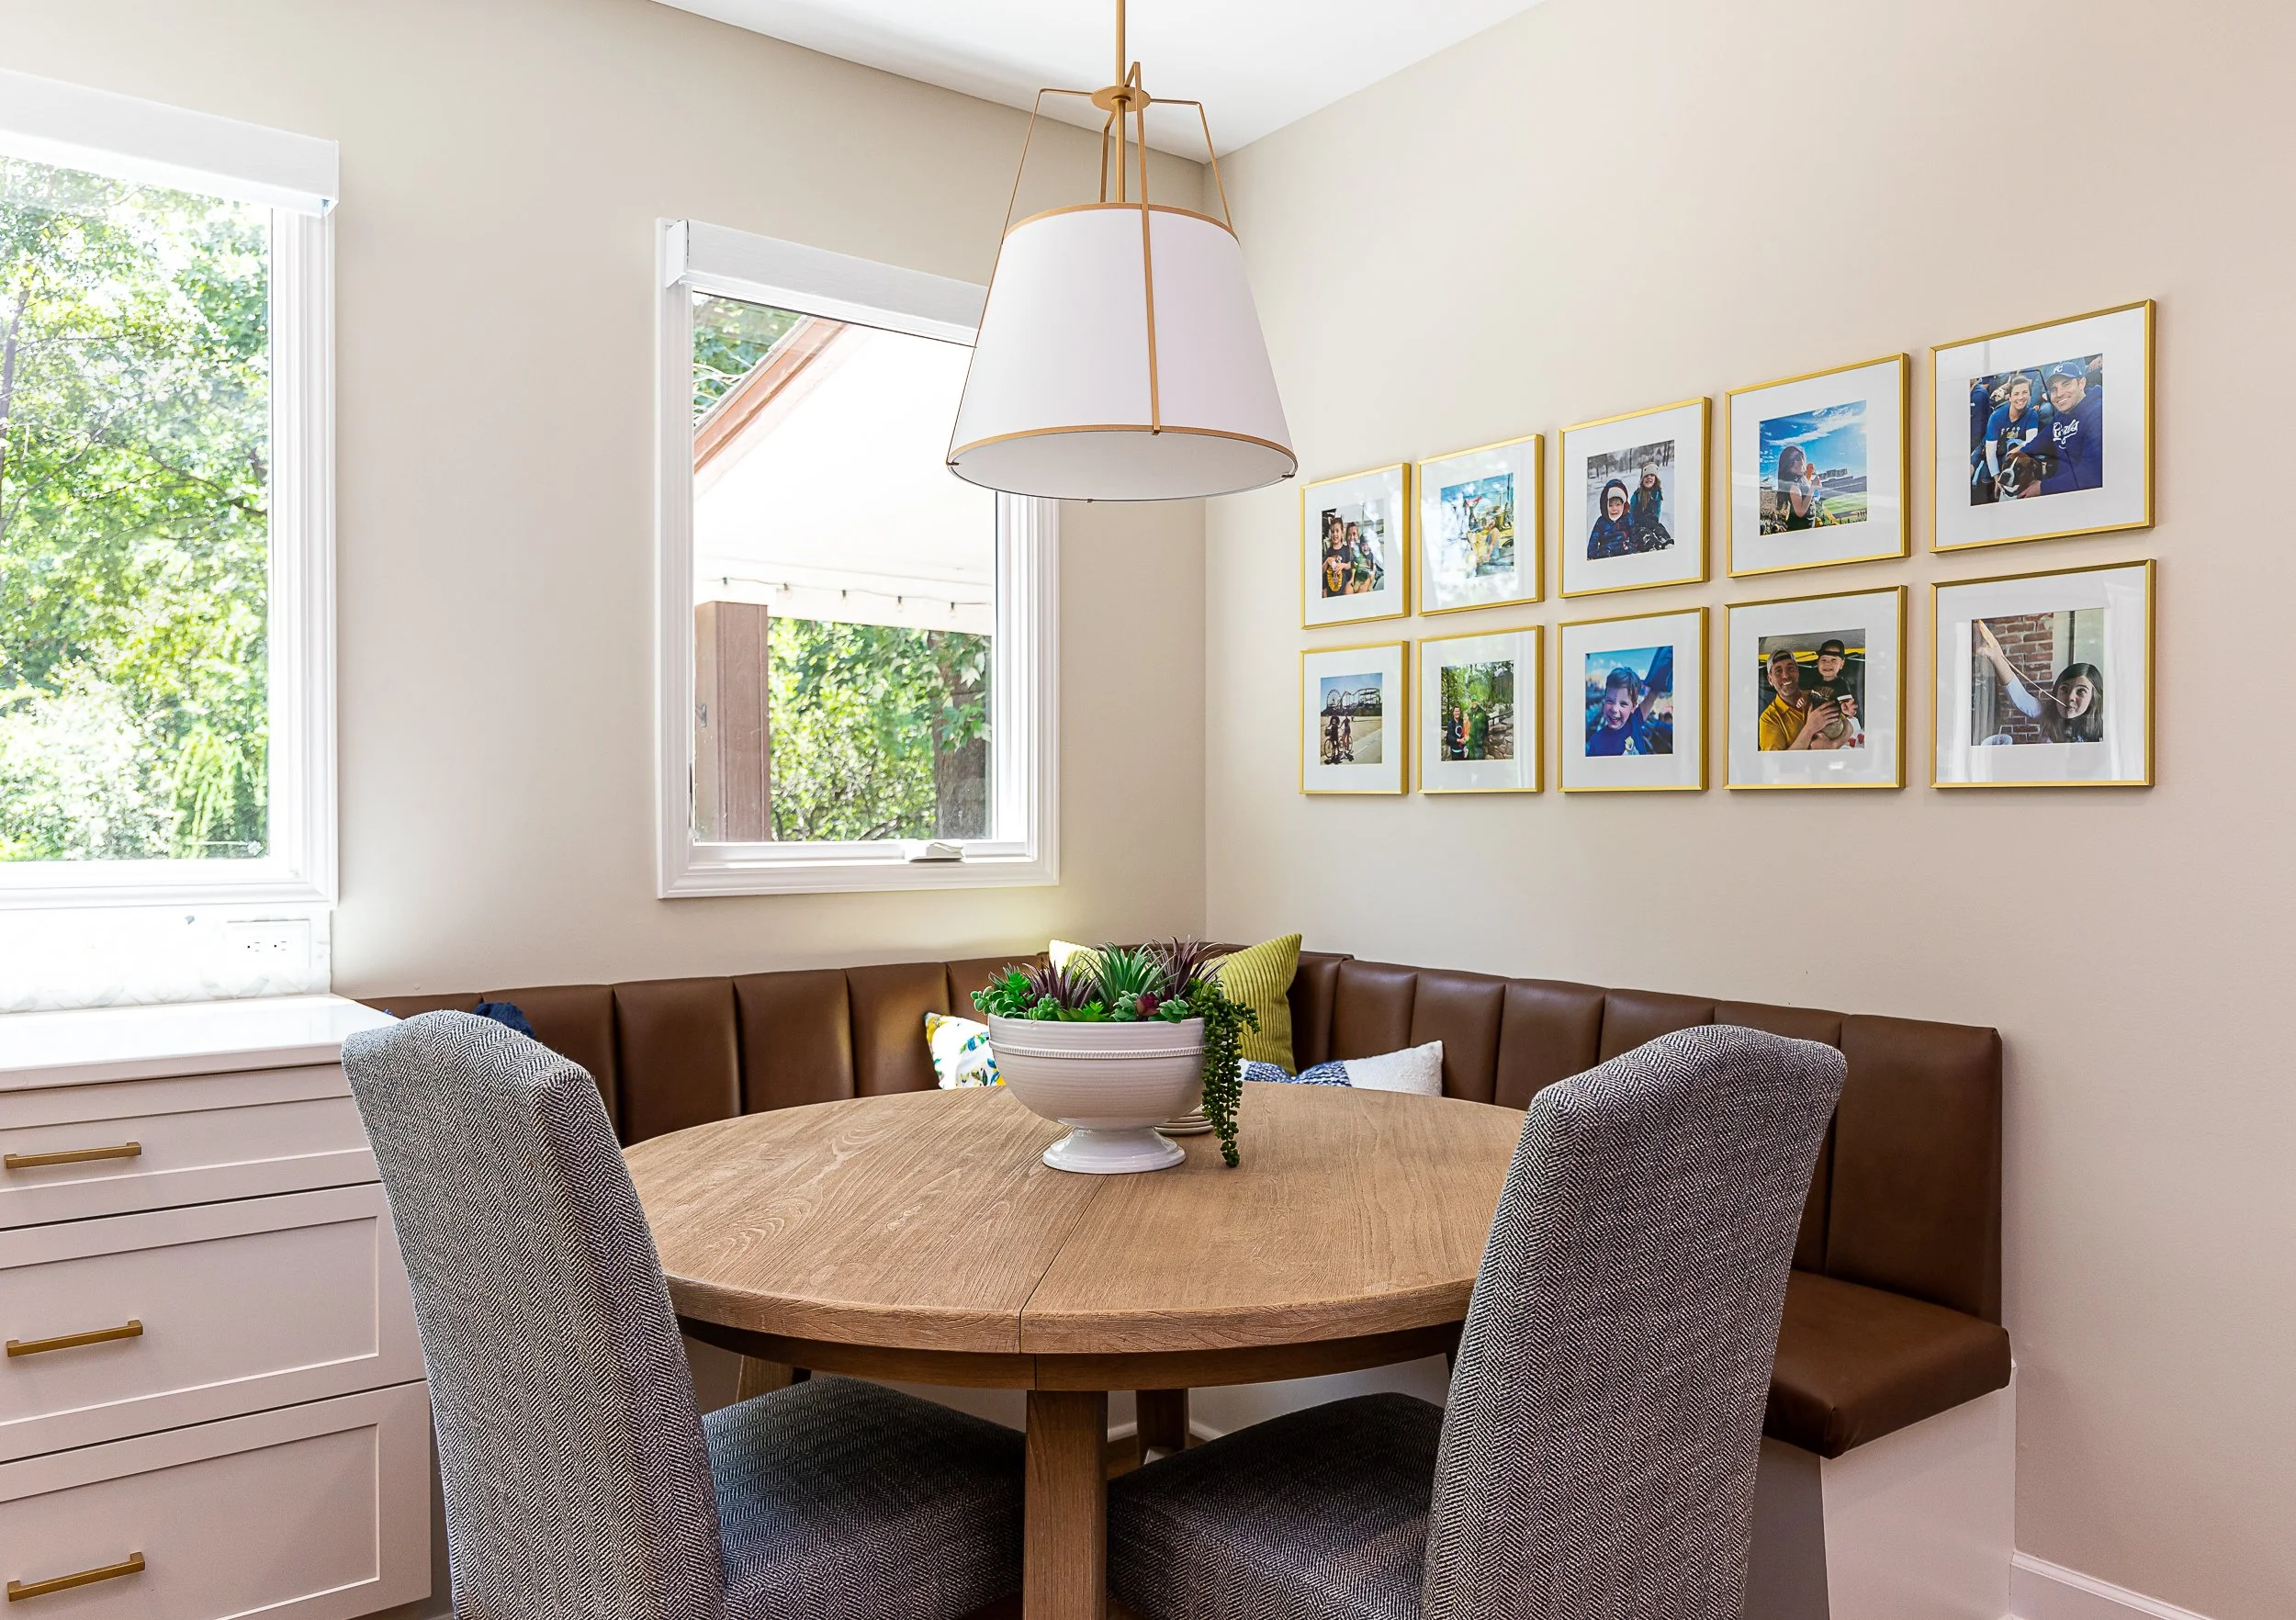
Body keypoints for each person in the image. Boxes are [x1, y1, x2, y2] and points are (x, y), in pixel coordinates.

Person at [1974, 622, 2104, 742]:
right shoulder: (2047, 714)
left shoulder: (2101, 733)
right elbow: (2020, 697)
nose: (2070, 697)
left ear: (2093, 698)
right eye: (2064, 688)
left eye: (2081, 691)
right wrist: (1996, 657)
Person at [1756, 649, 1848, 751]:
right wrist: (1810, 728)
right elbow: (1777, 764)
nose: (1786, 675)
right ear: (1770, 680)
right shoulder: (1768, 719)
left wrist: (1832, 745)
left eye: (1790, 668)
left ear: (1797, 672)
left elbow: (1849, 727)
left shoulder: (1814, 695)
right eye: (1778, 671)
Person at [2043, 359, 2105, 492]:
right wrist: (2021, 450)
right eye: (2054, 389)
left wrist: (2042, 488)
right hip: (2064, 484)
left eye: (2066, 384)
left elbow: (2091, 474)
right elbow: (2043, 437)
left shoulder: (2098, 412)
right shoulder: (2063, 412)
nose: (2059, 394)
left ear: (2081, 383)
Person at [1984, 376, 2049, 498]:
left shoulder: (2031, 414)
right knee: (1985, 476)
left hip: (2019, 456)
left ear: (2030, 395)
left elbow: (2031, 442)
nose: (2021, 397)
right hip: (2001, 454)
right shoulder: (1996, 416)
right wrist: (1997, 479)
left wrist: (2015, 450)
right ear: (2010, 397)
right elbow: (1990, 452)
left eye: (2025, 392)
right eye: (2016, 394)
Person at [1586, 664, 1666, 756]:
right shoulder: (1596, 742)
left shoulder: (1635, 720)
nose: (1614, 709)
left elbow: (1653, 695)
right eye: (1610, 701)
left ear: (1633, 707)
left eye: (1623, 704)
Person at [1773, 444, 1820, 530]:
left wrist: (1812, 482)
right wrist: (1813, 487)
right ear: (1786, 467)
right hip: (1799, 529)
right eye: (1790, 462)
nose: (1796, 463)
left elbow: (1805, 488)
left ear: (1802, 457)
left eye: (1798, 457)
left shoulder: (1802, 477)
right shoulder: (1793, 484)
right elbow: (1800, 512)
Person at [1587, 477, 1636, 557]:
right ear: (1605, 506)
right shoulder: (1602, 522)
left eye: (1618, 505)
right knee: (1604, 554)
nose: (1614, 509)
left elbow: (1633, 533)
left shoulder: (1626, 518)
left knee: (1628, 550)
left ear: (1623, 505)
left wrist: (1633, 546)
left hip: (1622, 547)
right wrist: (1591, 555)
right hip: (1606, 549)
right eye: (1610, 505)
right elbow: (1594, 540)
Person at [1629, 462, 1671, 549]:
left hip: (1653, 523)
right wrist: (1632, 528)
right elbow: (1631, 512)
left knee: (1660, 529)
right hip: (1639, 525)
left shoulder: (1657, 494)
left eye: (1652, 475)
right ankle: (1653, 546)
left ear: (1655, 478)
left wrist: (1655, 523)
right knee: (1646, 535)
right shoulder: (1637, 495)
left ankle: (1666, 543)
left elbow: (1658, 511)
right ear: (1642, 479)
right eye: (1646, 475)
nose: (1649, 477)